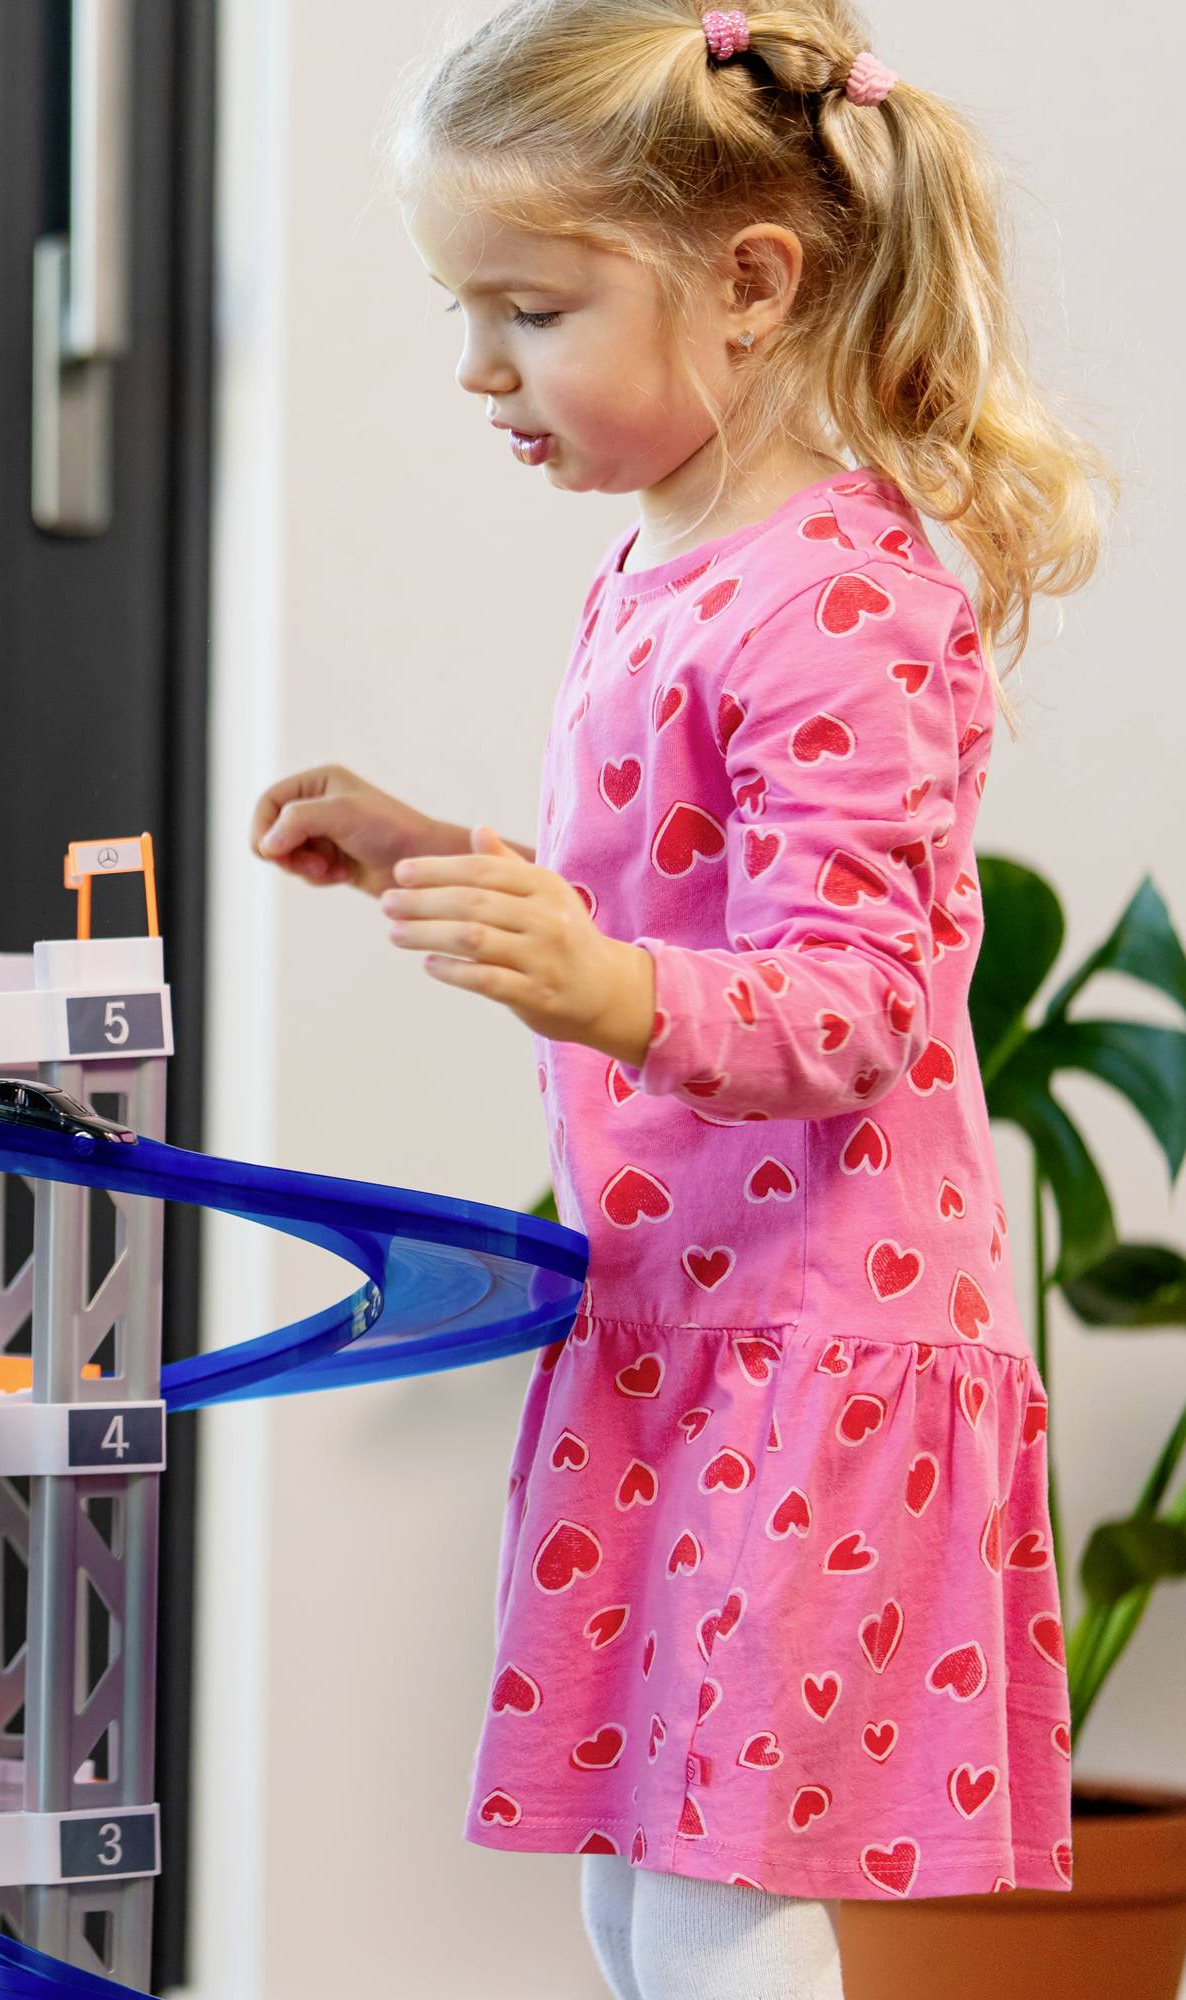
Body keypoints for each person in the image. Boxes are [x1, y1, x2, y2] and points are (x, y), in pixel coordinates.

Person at [252, 4, 1108, 1995]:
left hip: (818, 1328)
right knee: (640, 1879)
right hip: (684, 1315)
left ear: (749, 285)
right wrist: (444, 857)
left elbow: (856, 1004)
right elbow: (680, 895)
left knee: (718, 1884)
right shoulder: (668, 563)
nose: (481, 366)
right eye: (469, 309)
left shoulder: (842, 591)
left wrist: (604, 983)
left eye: (531, 310)